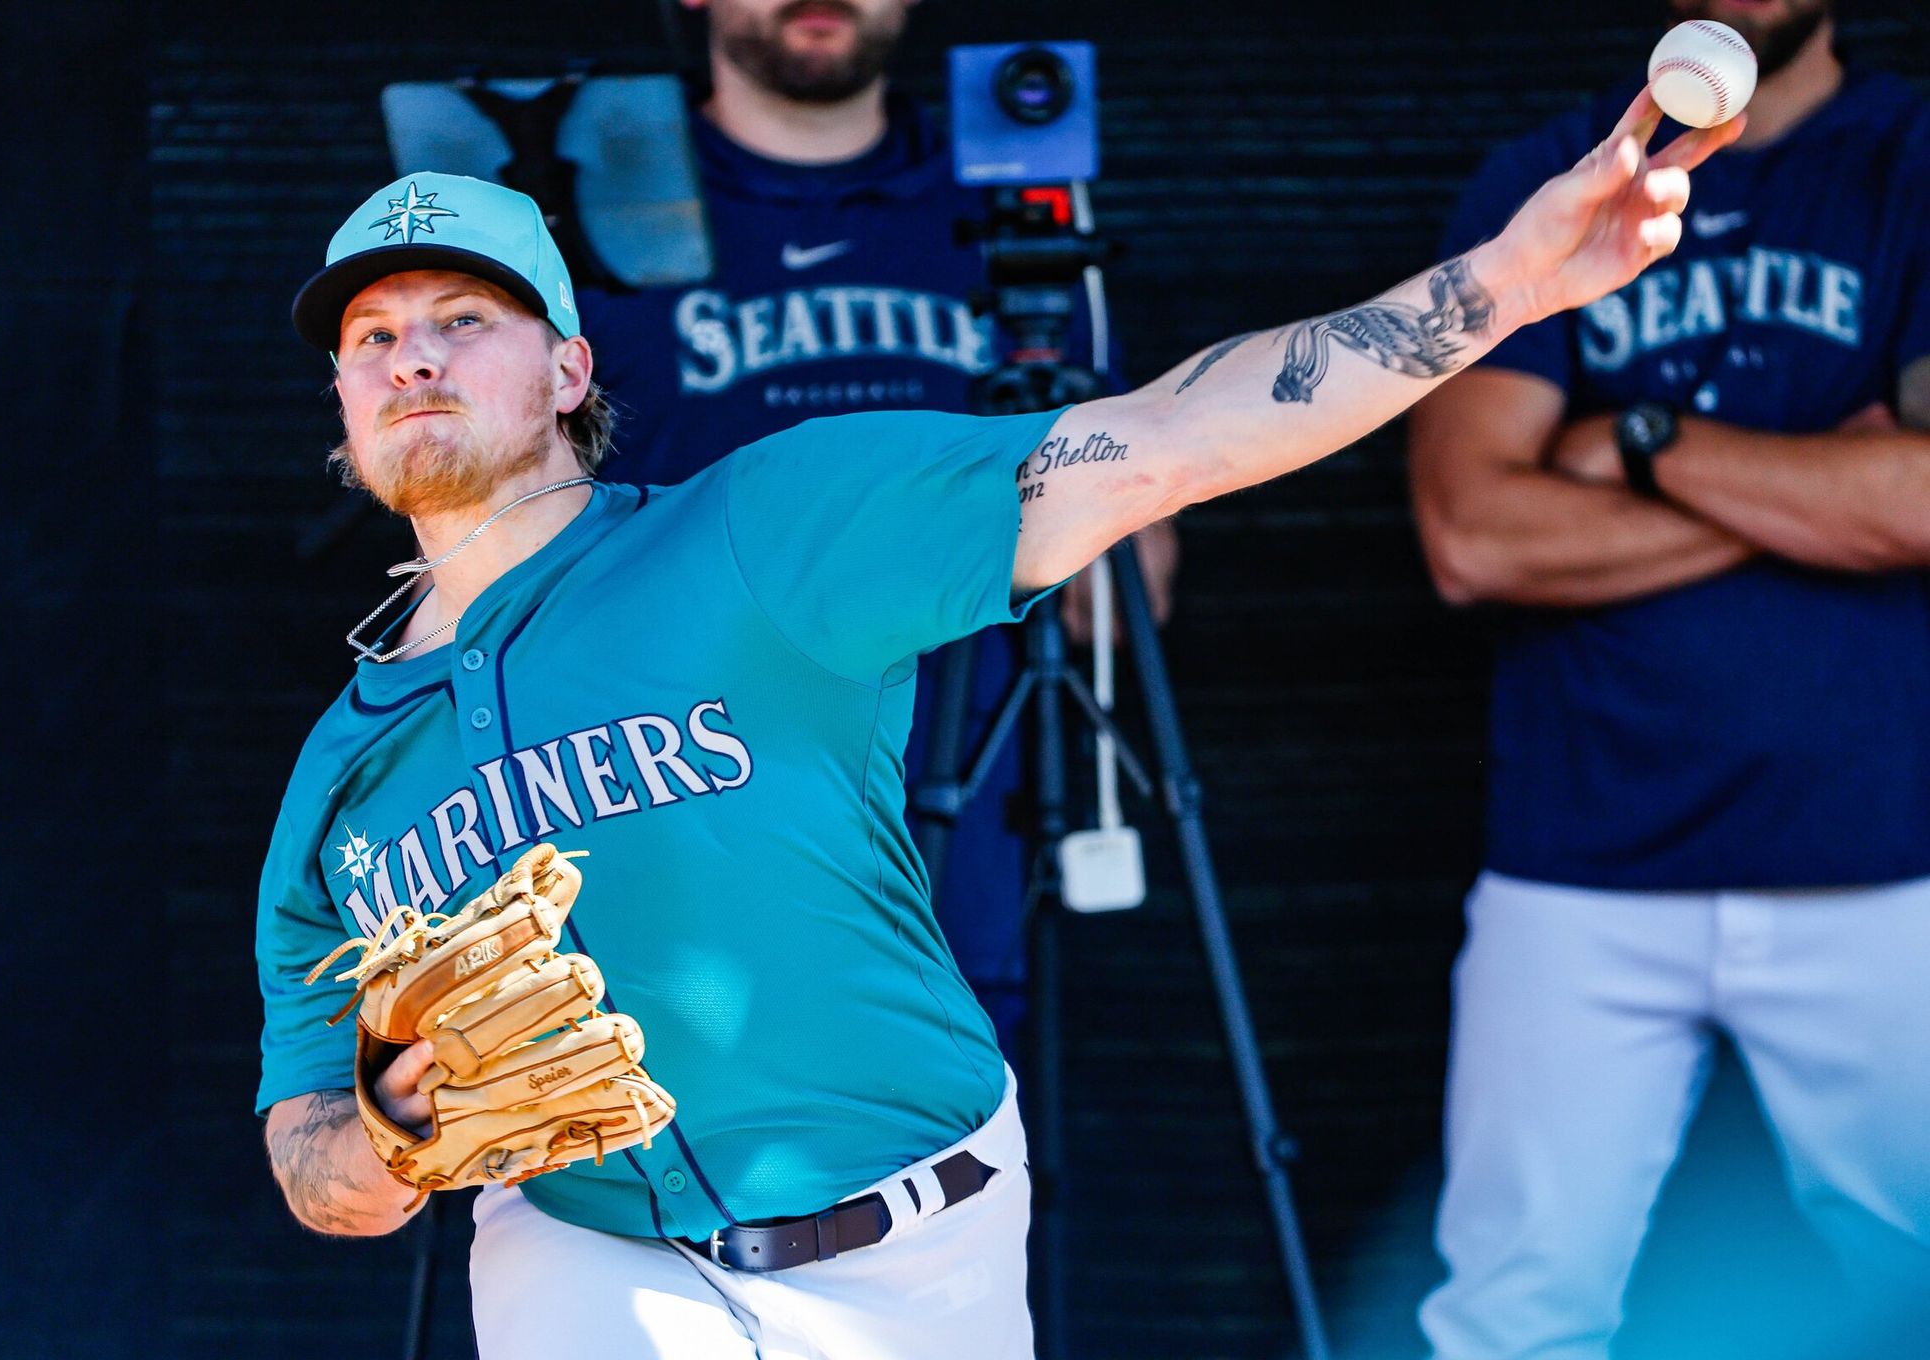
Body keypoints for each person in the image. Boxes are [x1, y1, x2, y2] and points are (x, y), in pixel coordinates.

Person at [255, 84, 1734, 1357]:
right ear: (341, 400)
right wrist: (395, 1137)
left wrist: (1505, 286)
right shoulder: (338, 782)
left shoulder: (762, 529)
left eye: (463, 317)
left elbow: (1166, 441)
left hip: (913, 1252)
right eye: (371, 338)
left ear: (571, 370)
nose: (414, 358)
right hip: (586, 1258)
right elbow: (309, 1159)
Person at [1408, 3, 1930, 1355]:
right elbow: (1472, 533)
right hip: (1582, 867)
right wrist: (1823, 484)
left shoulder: (1915, 160)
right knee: (1512, 1317)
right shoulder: (1557, 172)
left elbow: (1922, 505)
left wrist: (1636, 439)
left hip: (1882, 859)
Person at [576, 0, 1174, 1056]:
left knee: (963, 1182)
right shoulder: (599, 200)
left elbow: (1127, 598)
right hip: (672, 812)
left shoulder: (1014, 198)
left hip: (952, 808)